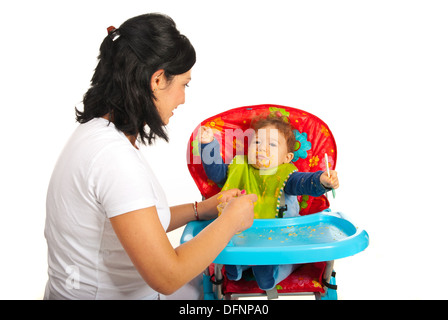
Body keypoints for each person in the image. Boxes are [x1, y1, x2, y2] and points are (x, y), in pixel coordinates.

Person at [44, 13, 257, 300]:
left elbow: (136, 222)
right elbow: (166, 277)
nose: (183, 99)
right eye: (184, 85)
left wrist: (202, 209)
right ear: (157, 80)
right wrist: (231, 221)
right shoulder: (113, 158)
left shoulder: (97, 134)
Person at [199, 112, 339, 292]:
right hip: (243, 236)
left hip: (280, 239)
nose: (262, 148)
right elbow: (216, 173)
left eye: (272, 144)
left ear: (286, 158)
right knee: (231, 245)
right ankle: (238, 265)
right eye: (257, 142)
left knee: (288, 258)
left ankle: (269, 272)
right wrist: (208, 144)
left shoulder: (286, 175)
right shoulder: (240, 166)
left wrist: (322, 181)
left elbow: (305, 183)